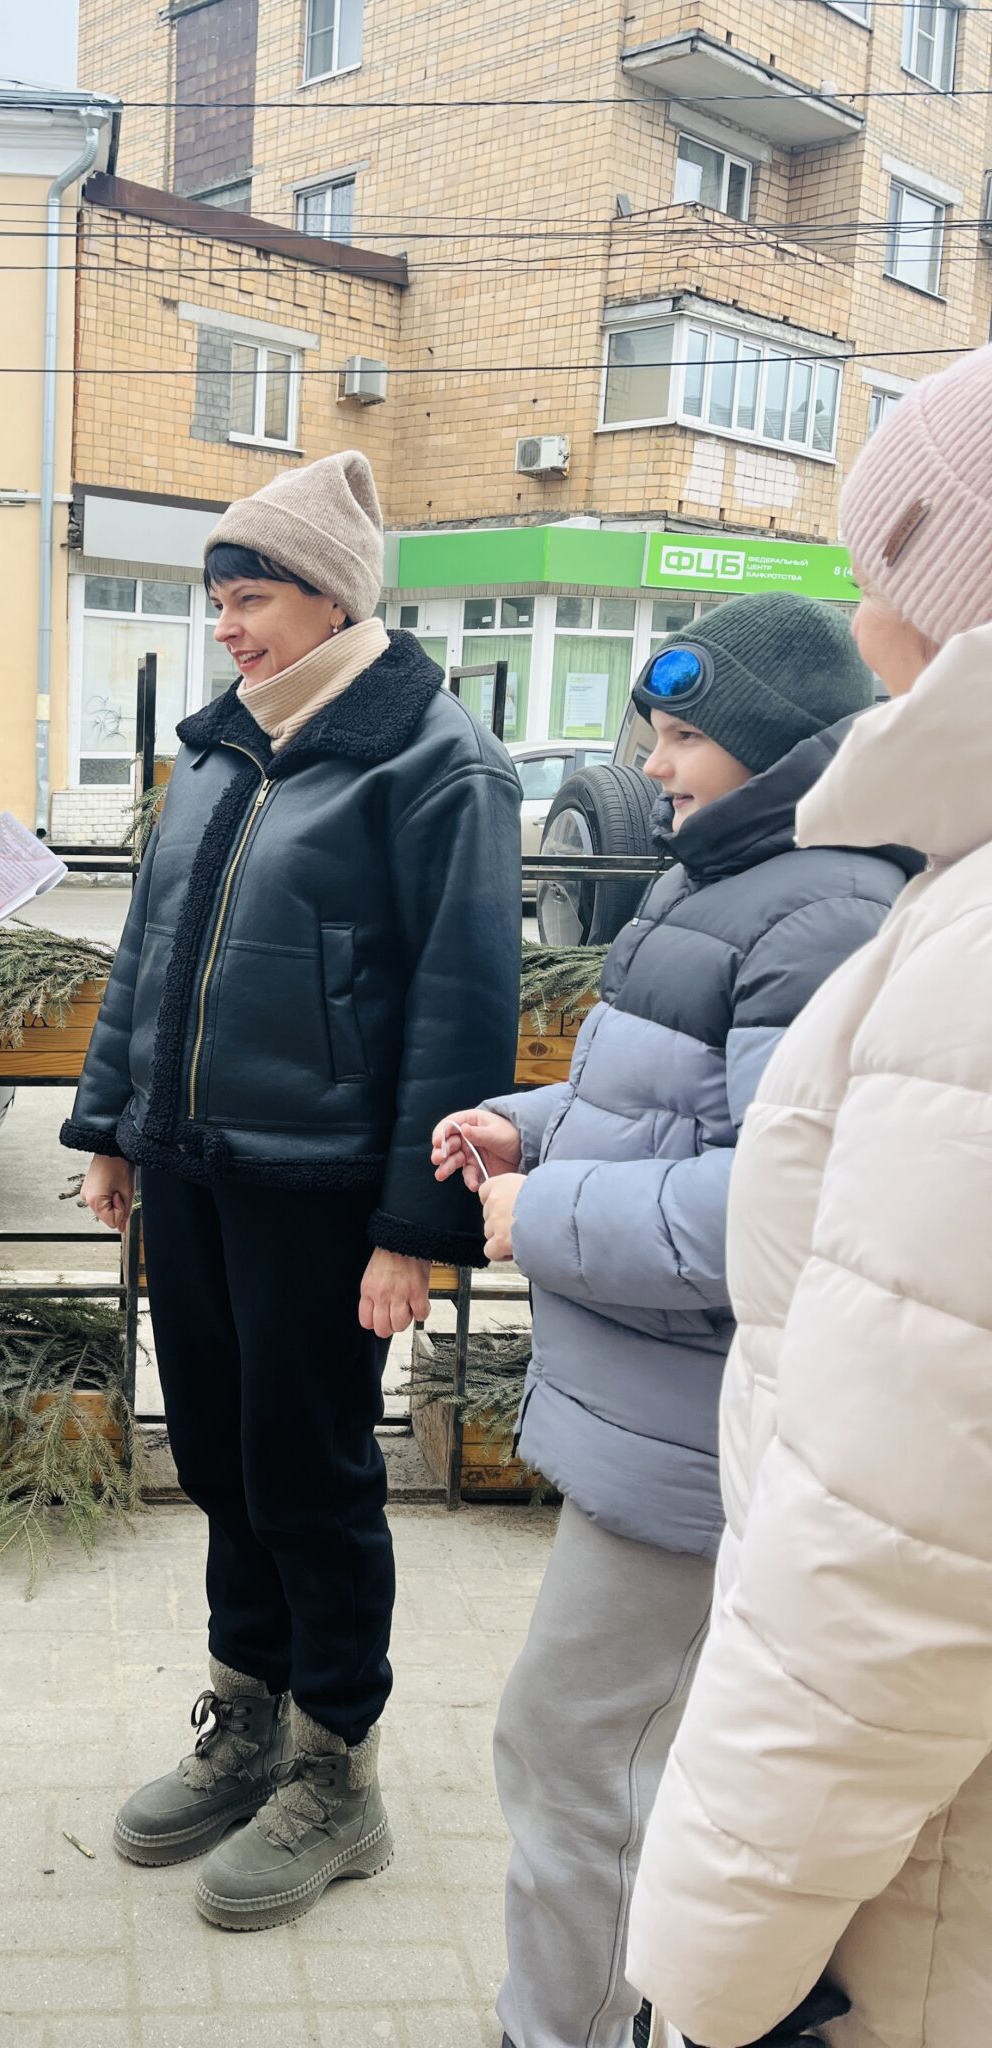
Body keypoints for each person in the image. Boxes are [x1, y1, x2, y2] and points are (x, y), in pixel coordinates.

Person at [432, 592, 912, 2048]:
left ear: (776, 746)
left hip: (696, 1442)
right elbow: (660, 1108)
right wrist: (526, 1127)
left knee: (572, 1750)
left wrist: (541, 1216)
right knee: (634, 1748)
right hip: (657, 1421)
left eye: (687, 735)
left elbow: (774, 1208)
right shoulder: (727, 880)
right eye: (654, 729)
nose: (652, 762)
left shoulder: (819, 912)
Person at [63, 450, 523, 1929]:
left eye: (249, 598)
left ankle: (337, 1771)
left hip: (323, 1194)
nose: (226, 628)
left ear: (332, 598)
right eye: (219, 601)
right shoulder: (217, 751)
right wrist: (112, 1125)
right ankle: (246, 1718)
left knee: (312, 1477)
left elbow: (461, 1009)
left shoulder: (433, 761)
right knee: (217, 1454)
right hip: (194, 1173)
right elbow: (146, 956)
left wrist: (412, 1228)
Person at [627, 349, 992, 2048]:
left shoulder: (966, 947)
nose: (858, 618)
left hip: (919, 1901)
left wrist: (711, 1974)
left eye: (873, 566)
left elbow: (894, 1546)